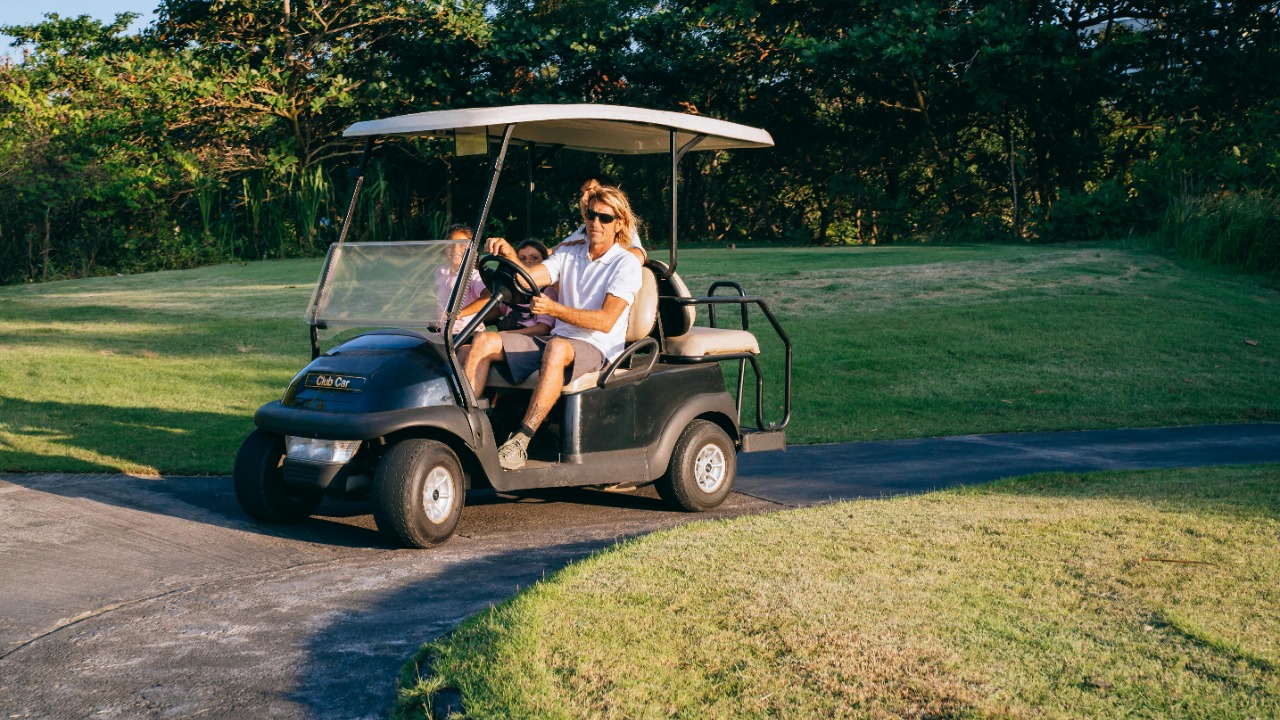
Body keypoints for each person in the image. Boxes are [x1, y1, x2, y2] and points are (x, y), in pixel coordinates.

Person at [463, 185, 644, 470]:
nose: (595, 223)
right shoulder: (570, 254)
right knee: (483, 342)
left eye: (604, 218)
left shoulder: (625, 264)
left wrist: (555, 310)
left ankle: (521, 440)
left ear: (619, 223)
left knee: (558, 347)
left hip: (598, 346)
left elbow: (606, 321)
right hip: (559, 339)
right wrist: (509, 255)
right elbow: (528, 278)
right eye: (591, 215)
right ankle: (467, 432)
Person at [558, 179, 646, 263]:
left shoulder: (623, 227)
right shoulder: (582, 230)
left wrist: (601, 254)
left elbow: (638, 256)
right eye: (582, 194)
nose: (584, 198)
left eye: (605, 218)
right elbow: (555, 251)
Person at [434, 224, 487, 330]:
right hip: (444, 331)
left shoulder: (473, 275)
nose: (455, 249)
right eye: (451, 245)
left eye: (462, 246)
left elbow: (488, 297)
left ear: (472, 250)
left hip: (467, 332)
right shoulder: (440, 271)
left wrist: (459, 314)